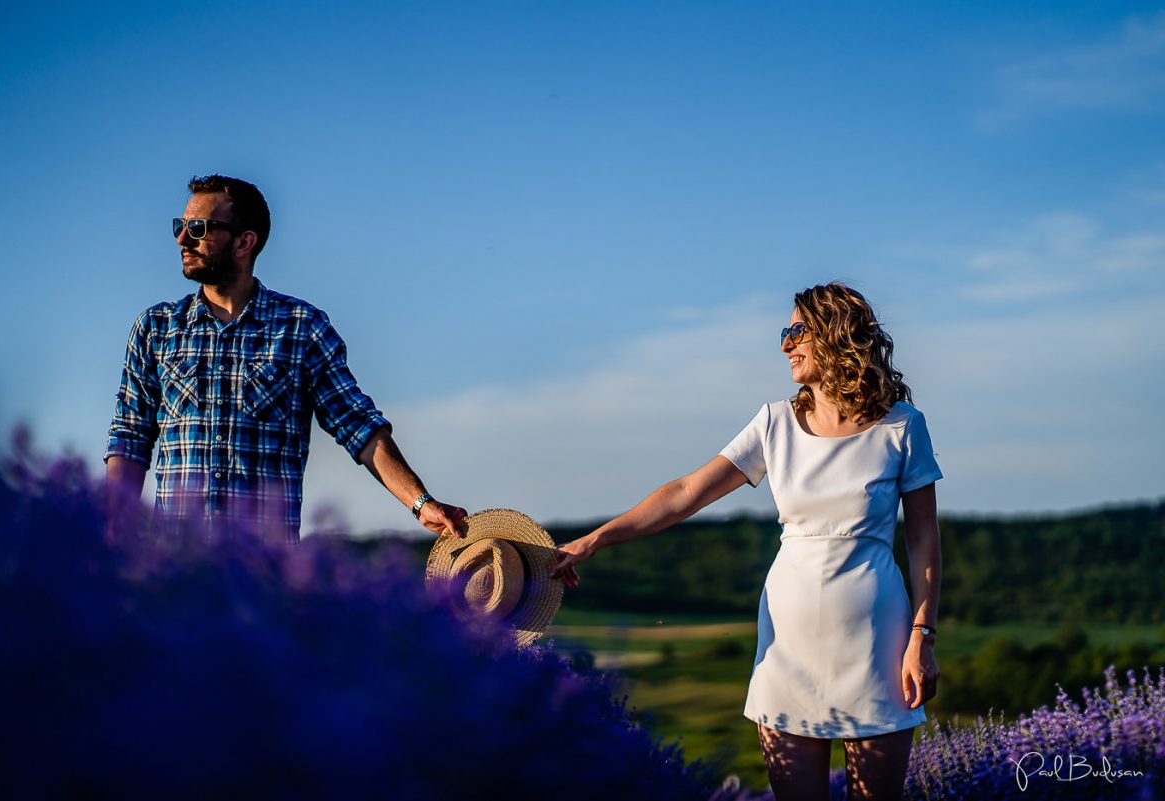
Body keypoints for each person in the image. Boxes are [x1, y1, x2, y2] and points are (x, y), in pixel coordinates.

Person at [553, 282, 942, 800]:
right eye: (786, 332)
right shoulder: (774, 424)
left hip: (880, 645)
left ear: (836, 334)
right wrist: (593, 541)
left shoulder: (902, 426)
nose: (785, 343)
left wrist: (923, 636)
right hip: (788, 649)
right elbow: (685, 493)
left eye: (797, 330)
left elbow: (923, 543)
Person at [105, 174, 467, 544]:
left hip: (264, 576)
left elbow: (360, 428)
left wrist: (421, 503)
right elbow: (130, 438)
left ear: (244, 241)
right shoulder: (156, 328)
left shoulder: (301, 328)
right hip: (174, 568)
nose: (183, 239)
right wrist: (113, 532)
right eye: (180, 226)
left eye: (198, 228)